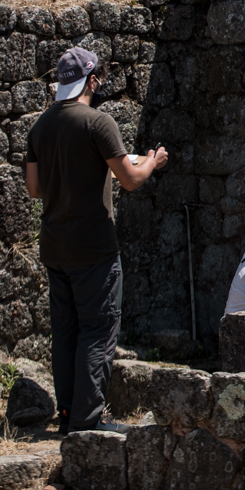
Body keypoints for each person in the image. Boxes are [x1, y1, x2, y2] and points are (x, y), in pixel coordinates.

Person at [25, 47, 168, 435]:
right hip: (94, 246)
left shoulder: (40, 127)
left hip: (55, 245)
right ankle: (89, 420)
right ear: (92, 80)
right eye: (99, 78)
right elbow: (131, 179)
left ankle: (70, 412)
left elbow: (35, 189)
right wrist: (152, 161)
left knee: (66, 331)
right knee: (98, 330)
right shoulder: (97, 123)